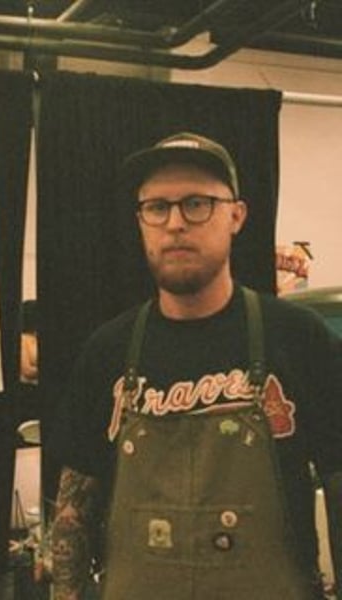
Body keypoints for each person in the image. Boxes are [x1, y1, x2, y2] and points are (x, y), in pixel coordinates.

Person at [48, 132, 342, 600]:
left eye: (197, 204)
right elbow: (72, 512)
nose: (175, 223)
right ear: (140, 221)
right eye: (157, 207)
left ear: (236, 216)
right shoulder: (107, 351)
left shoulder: (298, 338)